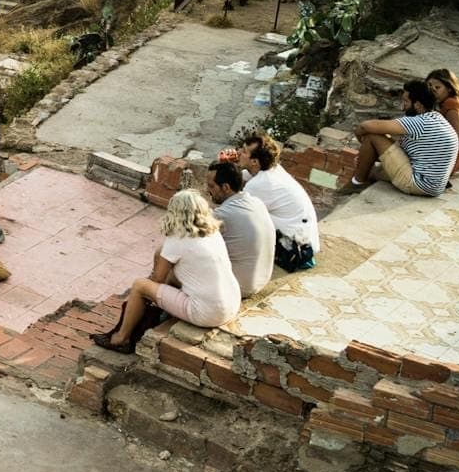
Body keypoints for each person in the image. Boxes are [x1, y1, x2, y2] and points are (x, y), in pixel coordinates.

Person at [94, 191, 241, 353]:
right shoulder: (212, 232)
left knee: (139, 286)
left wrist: (149, 285)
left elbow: (157, 278)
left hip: (208, 313)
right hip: (232, 303)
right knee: (163, 259)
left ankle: (121, 338)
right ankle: (157, 311)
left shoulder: (178, 237)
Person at [350, 79, 458, 197]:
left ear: (418, 105)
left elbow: (365, 126)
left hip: (419, 184)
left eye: (406, 101)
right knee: (370, 168)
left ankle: (356, 184)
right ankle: (364, 176)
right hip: (434, 185)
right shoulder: (436, 118)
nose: (402, 107)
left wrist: (362, 139)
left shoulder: (419, 122)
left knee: (372, 136)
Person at [239, 135, 322, 270]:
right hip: (303, 236)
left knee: (246, 218)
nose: (238, 153)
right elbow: (243, 175)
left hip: (296, 248)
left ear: (254, 162)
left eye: (243, 151)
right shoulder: (272, 170)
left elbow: (239, 211)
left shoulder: (259, 184)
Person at [204, 162, 274, 297]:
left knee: (176, 267)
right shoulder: (257, 202)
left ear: (225, 187)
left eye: (211, 186)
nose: (208, 190)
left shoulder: (222, 215)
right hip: (262, 280)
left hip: (239, 288)